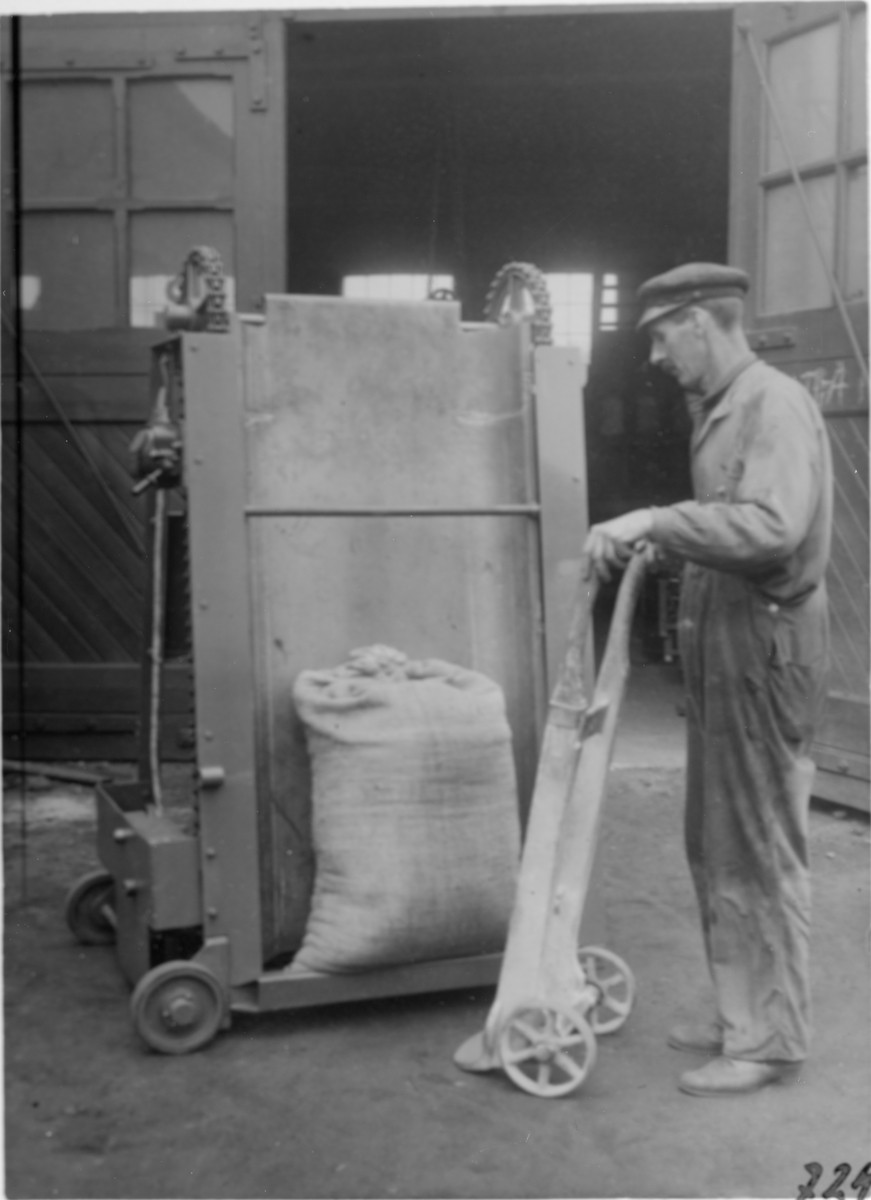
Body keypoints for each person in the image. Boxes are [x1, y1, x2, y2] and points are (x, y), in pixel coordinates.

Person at [584, 262, 833, 1097]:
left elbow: (771, 528)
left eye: (661, 336)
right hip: (726, 648)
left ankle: (769, 1040)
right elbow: (728, 528)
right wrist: (664, 545)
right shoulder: (721, 410)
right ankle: (740, 1014)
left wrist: (657, 519)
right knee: (715, 840)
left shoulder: (771, 403)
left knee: (758, 845)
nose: (655, 356)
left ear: (699, 321)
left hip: (761, 655)